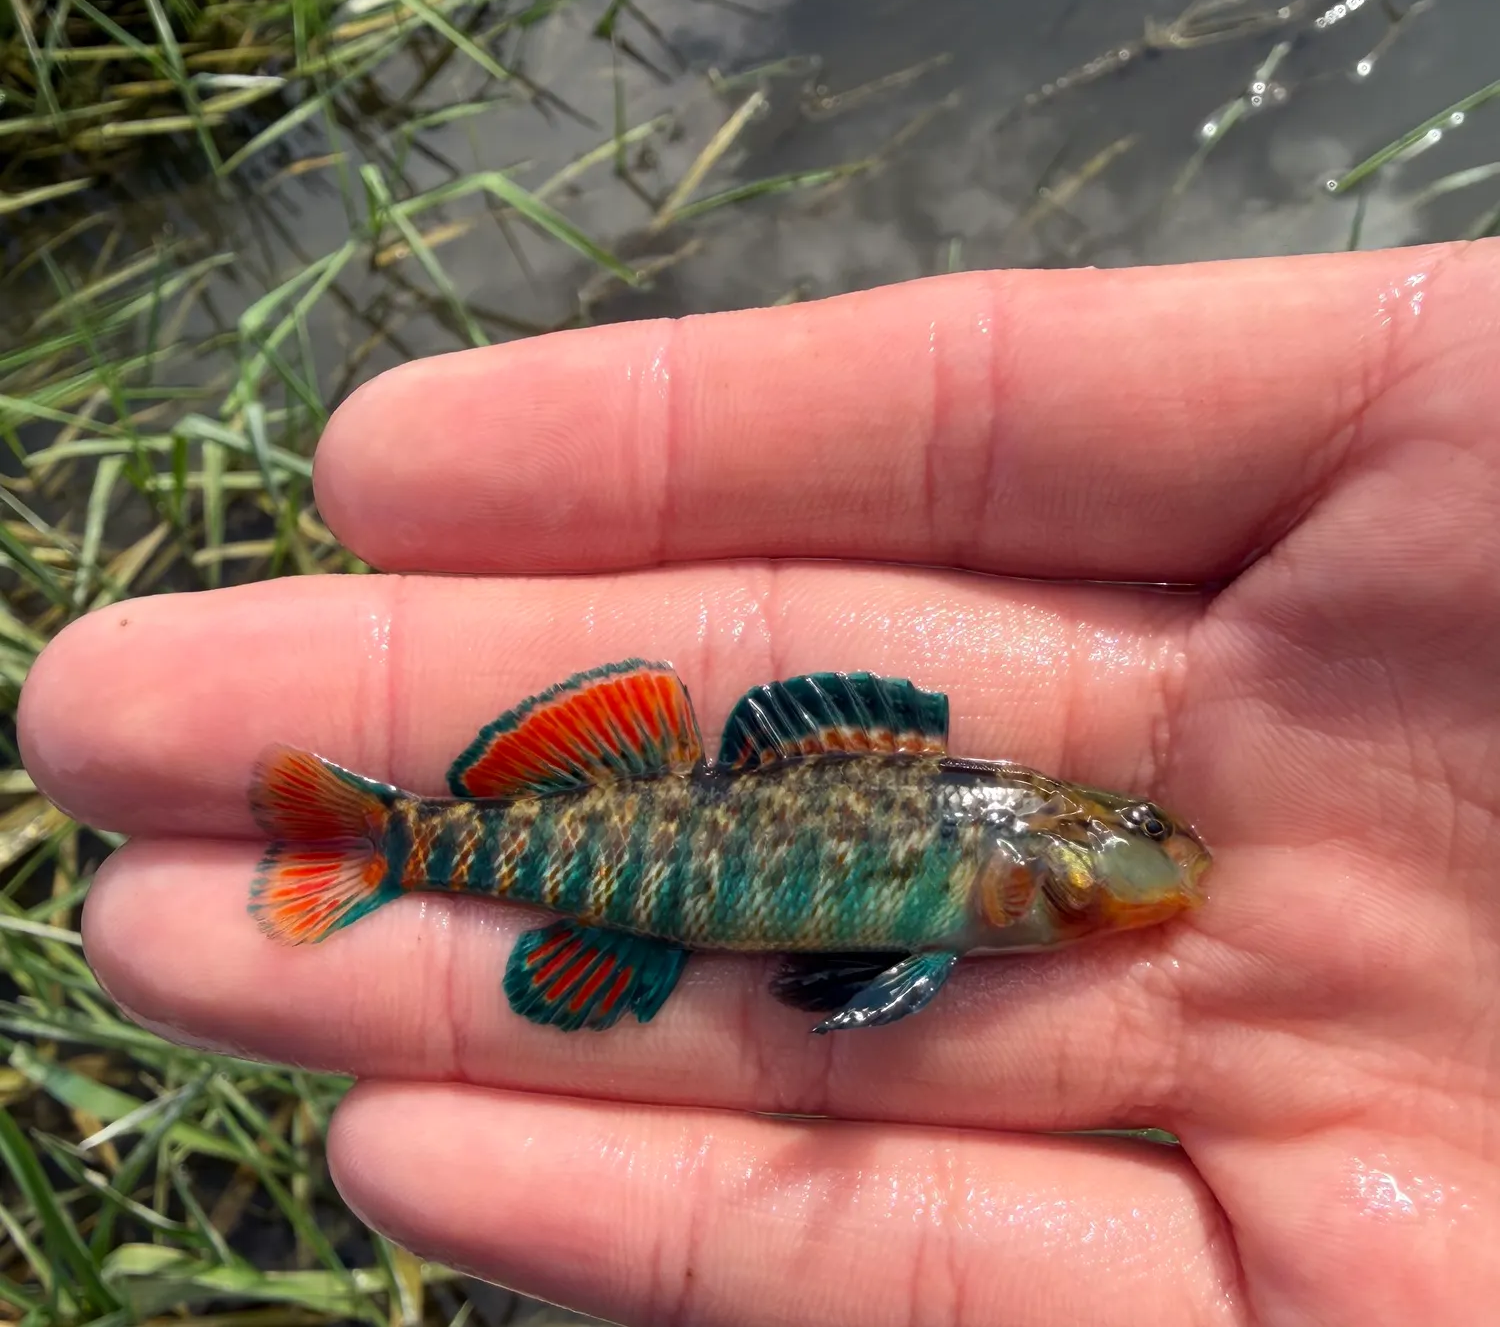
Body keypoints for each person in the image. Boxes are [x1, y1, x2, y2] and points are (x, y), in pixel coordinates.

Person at [19, 241, 1500, 1326]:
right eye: (1136, 836)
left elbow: (864, 979)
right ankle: (382, 848)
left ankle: (391, 849)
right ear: (1059, 847)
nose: (1158, 855)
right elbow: (862, 979)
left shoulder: (1022, 882)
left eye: (1140, 836)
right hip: (590, 847)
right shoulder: (1014, 868)